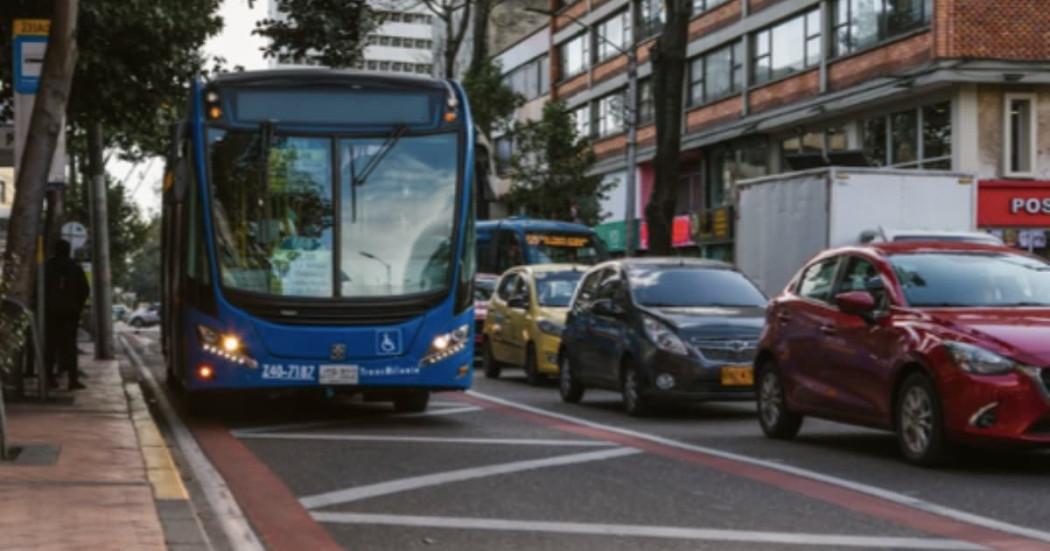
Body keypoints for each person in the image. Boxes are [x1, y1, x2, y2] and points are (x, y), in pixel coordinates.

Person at [45, 239, 90, 390]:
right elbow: (84, 290)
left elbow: (38, 289)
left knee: (50, 346)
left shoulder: (47, 267)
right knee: (70, 346)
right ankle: (72, 380)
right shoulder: (75, 268)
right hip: (70, 313)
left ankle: (49, 379)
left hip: (50, 312)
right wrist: (77, 306)